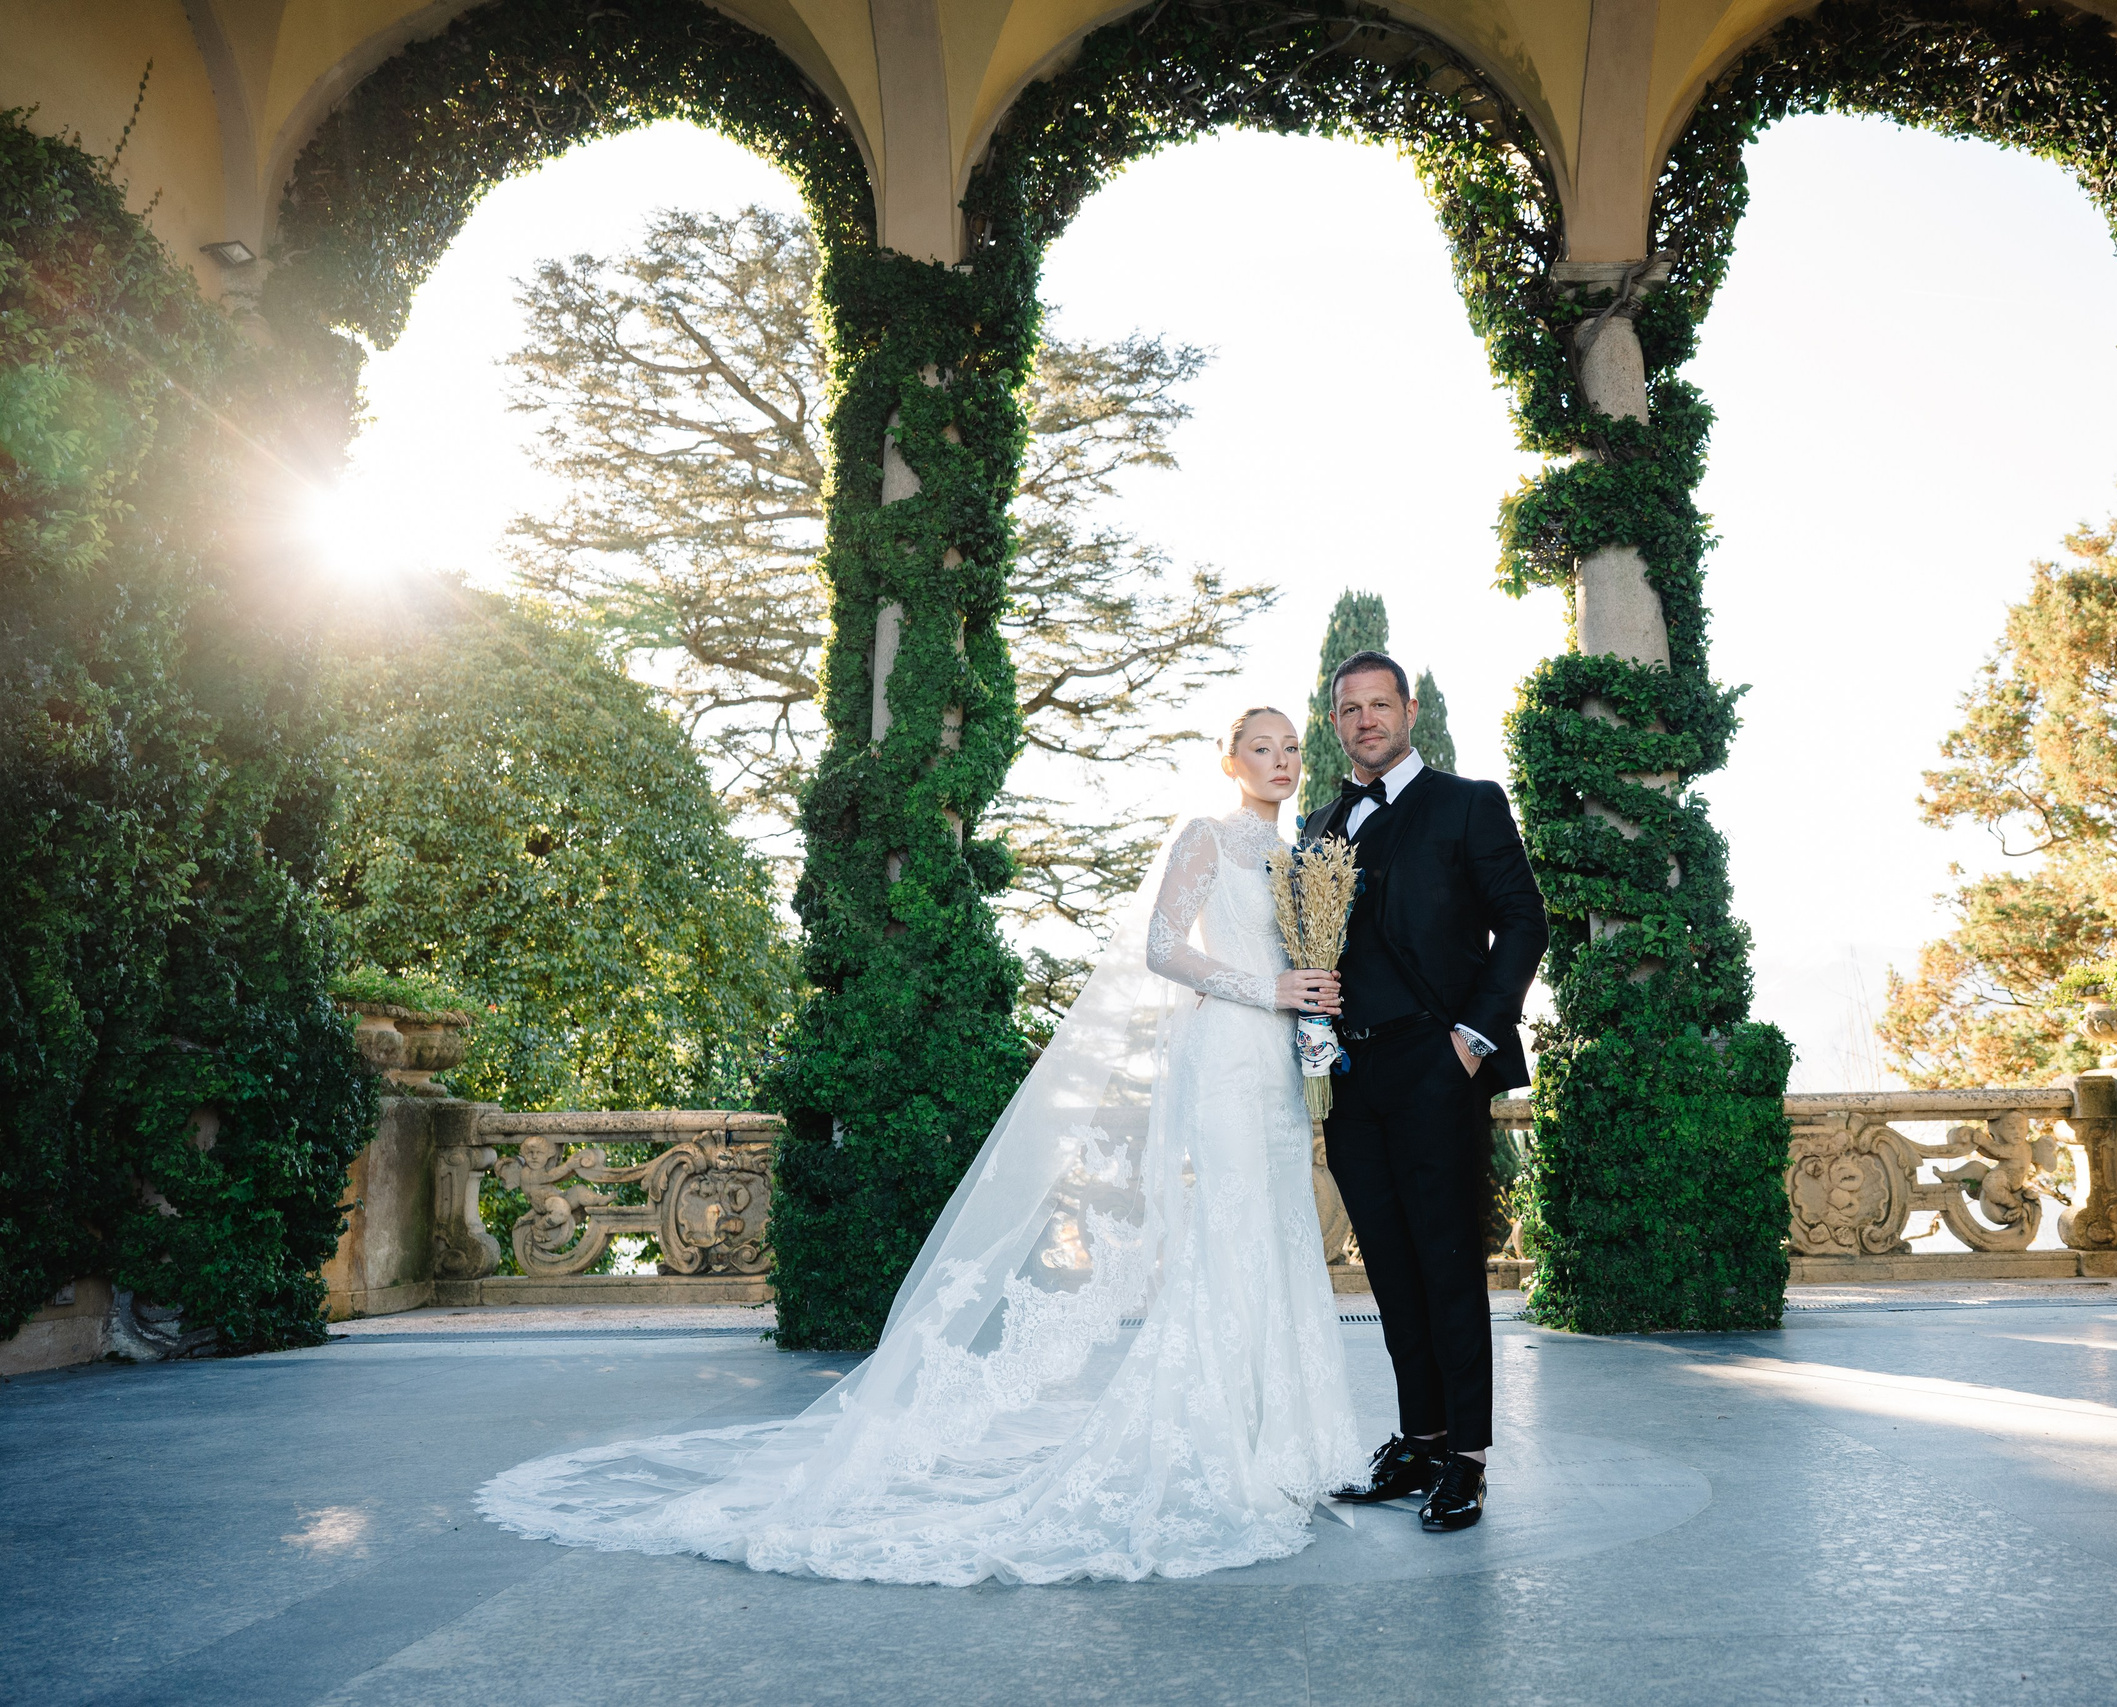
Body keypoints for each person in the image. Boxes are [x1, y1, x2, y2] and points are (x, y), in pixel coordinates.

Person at [475, 709, 1369, 1584]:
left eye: (1292, 747)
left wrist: (1311, 1001)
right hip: (1224, 1056)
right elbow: (1163, 946)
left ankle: (1288, 1442)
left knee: (1284, 1234)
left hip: (1280, 1069)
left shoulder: (1298, 858)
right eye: (1261, 747)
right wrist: (1269, 983)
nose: (1281, 760)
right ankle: (1220, 1446)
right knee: (1232, 1237)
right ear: (1229, 761)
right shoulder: (1204, 839)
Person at [1297, 650, 1548, 1533]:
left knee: (1446, 1267)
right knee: (1389, 1272)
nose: (1366, 720)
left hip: (1439, 1065)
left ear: (1407, 710)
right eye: (1349, 708)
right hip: (1353, 1076)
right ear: (1336, 722)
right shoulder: (1321, 825)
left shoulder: (1468, 802)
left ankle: (1467, 1459)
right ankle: (1418, 1436)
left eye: (1380, 704)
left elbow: (1525, 919)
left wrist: (1471, 1042)